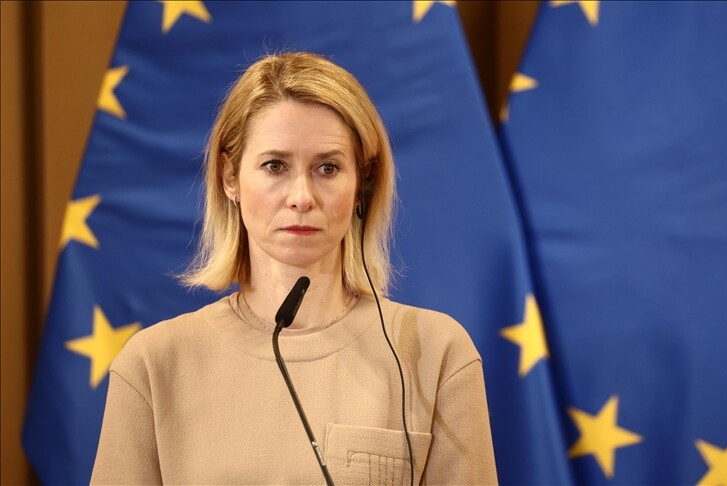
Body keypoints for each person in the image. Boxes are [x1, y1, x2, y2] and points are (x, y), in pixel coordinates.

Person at [90, 52, 497, 485]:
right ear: (230, 177)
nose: (302, 197)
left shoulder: (436, 353)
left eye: (328, 168)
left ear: (363, 183)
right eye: (275, 166)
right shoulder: (153, 365)